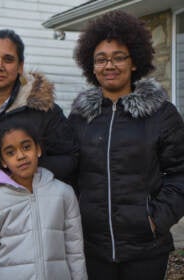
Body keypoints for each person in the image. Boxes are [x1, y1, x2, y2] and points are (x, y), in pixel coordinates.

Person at [68, 10, 184, 280]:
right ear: (91, 66)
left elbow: (180, 174)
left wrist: (156, 219)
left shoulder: (161, 114)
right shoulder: (79, 117)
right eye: (101, 59)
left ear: (134, 62)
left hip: (146, 249)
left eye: (119, 57)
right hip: (92, 249)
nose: (110, 66)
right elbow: (70, 174)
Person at [0, 29, 78, 183]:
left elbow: (69, 158)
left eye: (8, 59)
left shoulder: (44, 109)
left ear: (20, 66)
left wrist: (24, 172)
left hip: (27, 202)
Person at [0, 123, 87, 280]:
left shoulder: (63, 193)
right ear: (3, 161)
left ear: (38, 149)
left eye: (26, 147)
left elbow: (75, 251)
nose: (21, 156)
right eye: (10, 152)